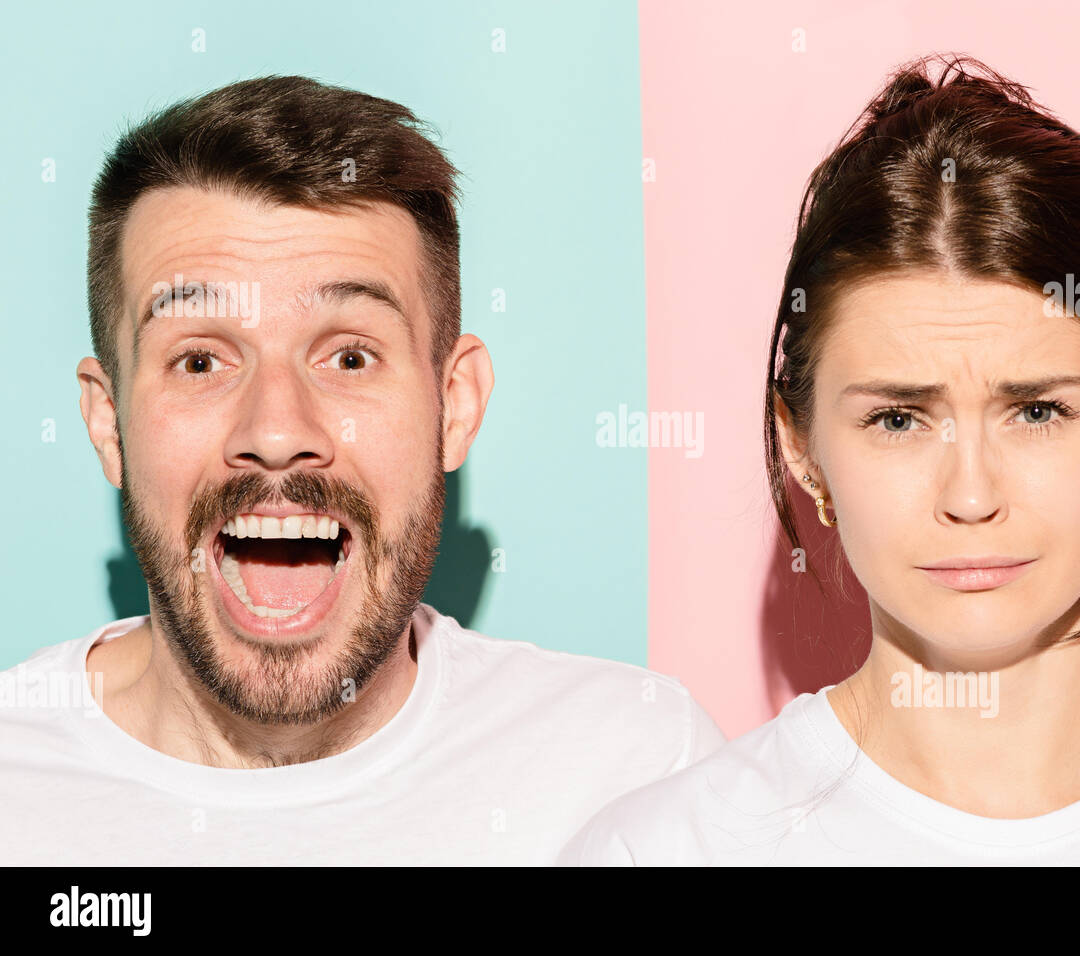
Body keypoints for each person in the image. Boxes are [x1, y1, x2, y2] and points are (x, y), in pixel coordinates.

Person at [559, 54, 1080, 865]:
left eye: (1038, 411)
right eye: (899, 419)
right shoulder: (667, 851)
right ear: (801, 446)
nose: (971, 494)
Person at [0, 75, 724, 865]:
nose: (276, 432)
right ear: (108, 423)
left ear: (454, 406)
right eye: (201, 360)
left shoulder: (637, 773)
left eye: (349, 355)